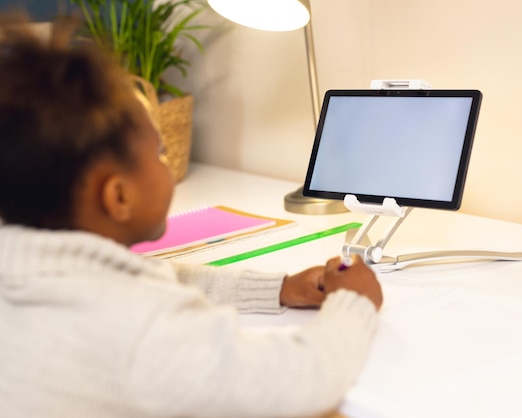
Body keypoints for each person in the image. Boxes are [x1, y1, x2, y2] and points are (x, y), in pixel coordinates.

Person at [0, 14, 383, 418]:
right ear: (118, 195)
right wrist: (353, 302)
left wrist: (280, 288)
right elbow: (299, 381)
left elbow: (151, 273)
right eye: (160, 154)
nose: (168, 166)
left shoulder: (33, 272)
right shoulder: (143, 328)